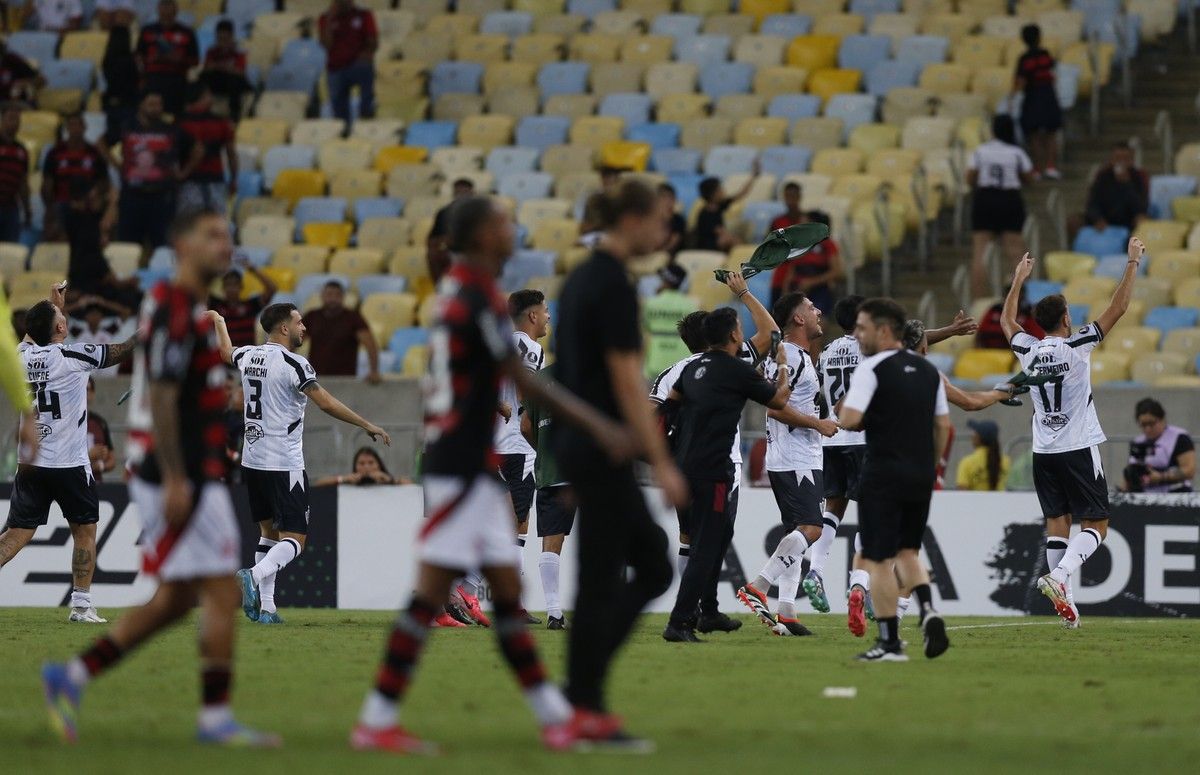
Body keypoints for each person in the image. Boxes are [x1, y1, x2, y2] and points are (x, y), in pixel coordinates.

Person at [351, 195, 634, 754]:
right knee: (447, 595)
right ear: (482, 236)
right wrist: (599, 426)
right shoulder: (474, 296)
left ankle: (555, 717)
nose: (514, 231)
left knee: (503, 593)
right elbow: (523, 384)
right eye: (505, 224)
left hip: (468, 462)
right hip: (462, 464)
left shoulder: (463, 291)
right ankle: (380, 719)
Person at [41, 208, 281, 747]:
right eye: (212, 235)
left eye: (228, 235)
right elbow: (167, 397)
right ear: (181, 244)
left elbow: (178, 388)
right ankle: (215, 719)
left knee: (176, 600)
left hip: (190, 469)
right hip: (183, 473)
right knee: (221, 590)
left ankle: (71, 677)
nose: (225, 245)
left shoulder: (184, 308)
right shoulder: (175, 306)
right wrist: (176, 476)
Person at [555, 179, 687, 749]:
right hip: (605, 445)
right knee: (627, 573)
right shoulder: (612, 283)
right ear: (631, 219)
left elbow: (565, 376)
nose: (665, 232)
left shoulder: (582, 278)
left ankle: (580, 695)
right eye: (660, 219)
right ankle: (583, 703)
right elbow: (627, 379)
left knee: (627, 571)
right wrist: (662, 461)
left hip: (583, 443)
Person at [212, 302, 391, 625]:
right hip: (283, 462)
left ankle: (266, 608)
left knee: (268, 533)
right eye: (298, 322)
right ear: (284, 328)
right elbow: (325, 402)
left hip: (252, 461)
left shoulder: (249, 355)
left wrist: (219, 319)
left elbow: (226, 352)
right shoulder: (295, 364)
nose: (304, 328)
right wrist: (366, 424)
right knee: (295, 539)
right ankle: (252, 576)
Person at [1003, 238, 1144, 629]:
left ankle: (1066, 607)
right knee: (1097, 525)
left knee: (1057, 523)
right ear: (1066, 319)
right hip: (1078, 446)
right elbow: (1118, 308)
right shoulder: (1078, 345)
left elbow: (1005, 323)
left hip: (1043, 451)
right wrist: (1132, 261)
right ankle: (1060, 577)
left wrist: (1018, 280)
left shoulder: (1028, 351)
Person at [650, 272, 779, 635]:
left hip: (680, 466)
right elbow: (770, 334)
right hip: (719, 465)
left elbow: (655, 419)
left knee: (690, 538)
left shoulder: (672, 372)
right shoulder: (731, 365)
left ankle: (702, 610)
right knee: (713, 539)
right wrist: (744, 294)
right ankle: (693, 613)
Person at [1, 288, 136, 623]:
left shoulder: (19, 355)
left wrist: (53, 309)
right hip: (69, 465)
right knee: (85, 532)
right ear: (59, 330)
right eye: (63, 319)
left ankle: (80, 604)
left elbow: (37, 334)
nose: (67, 321)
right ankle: (81, 605)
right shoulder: (72, 358)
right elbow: (118, 351)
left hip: (31, 465)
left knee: (16, 535)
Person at [837, 298, 951, 662]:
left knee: (878, 559)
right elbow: (943, 426)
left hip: (882, 473)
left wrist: (843, 410)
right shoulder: (928, 370)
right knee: (907, 551)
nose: (858, 335)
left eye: (863, 328)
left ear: (884, 330)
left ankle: (889, 643)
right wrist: (930, 466)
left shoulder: (871, 369)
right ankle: (929, 610)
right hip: (919, 474)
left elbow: (850, 419)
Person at [735, 292, 838, 636]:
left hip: (799, 455)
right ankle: (759, 586)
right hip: (795, 456)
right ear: (797, 319)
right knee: (812, 528)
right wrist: (818, 424)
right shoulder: (790, 357)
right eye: (811, 307)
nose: (818, 310)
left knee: (799, 533)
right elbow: (774, 406)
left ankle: (788, 612)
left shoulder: (799, 356)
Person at [486, 289, 549, 625]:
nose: (549, 316)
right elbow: (525, 388)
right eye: (546, 310)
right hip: (516, 447)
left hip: (489, 445)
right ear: (532, 315)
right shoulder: (529, 347)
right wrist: (531, 424)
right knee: (517, 527)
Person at [105, 92, 200, 251]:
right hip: (132, 196)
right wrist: (116, 164)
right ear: (141, 105)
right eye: (152, 104)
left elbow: (198, 148)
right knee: (128, 246)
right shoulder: (127, 126)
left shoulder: (170, 129)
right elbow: (101, 142)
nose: (157, 109)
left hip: (162, 197)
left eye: (159, 105)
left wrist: (184, 172)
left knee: (163, 246)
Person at [522, 363, 574, 630]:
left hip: (551, 472)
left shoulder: (539, 378)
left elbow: (526, 426)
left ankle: (554, 612)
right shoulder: (593, 370)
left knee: (551, 542)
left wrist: (543, 452)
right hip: (588, 472)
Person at [967, 114, 1033, 299]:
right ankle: (1020, 300)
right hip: (1009, 199)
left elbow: (970, 177)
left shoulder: (981, 151)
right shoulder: (1016, 152)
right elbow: (1030, 177)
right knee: (1016, 253)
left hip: (985, 198)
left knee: (980, 253)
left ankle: (979, 301)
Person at [42, 113, 111, 241]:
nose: (75, 129)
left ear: (84, 127)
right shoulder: (55, 152)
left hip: (87, 205)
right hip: (61, 204)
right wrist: (49, 211)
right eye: (71, 125)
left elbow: (104, 181)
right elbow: (47, 184)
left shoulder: (94, 153)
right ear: (67, 128)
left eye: (78, 125)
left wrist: (94, 193)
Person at [176, 84, 237, 214]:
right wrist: (233, 179)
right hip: (215, 179)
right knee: (215, 222)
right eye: (208, 95)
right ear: (202, 97)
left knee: (189, 224)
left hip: (188, 183)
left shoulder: (180, 123)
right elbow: (231, 154)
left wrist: (181, 175)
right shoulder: (221, 123)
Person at [303, 280, 380, 382]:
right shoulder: (312, 317)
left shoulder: (353, 318)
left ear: (343, 297)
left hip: (345, 380)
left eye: (337, 295)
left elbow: (370, 345)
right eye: (329, 294)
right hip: (316, 379)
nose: (333, 299)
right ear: (322, 296)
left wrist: (374, 371)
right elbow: (294, 342)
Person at [768, 210, 843, 315]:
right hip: (798, 290)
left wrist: (811, 282)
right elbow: (791, 272)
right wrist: (784, 296)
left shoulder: (828, 244)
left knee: (816, 322)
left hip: (819, 291)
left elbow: (837, 271)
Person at [1013, 24, 1062, 180]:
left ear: (1023, 39)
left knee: (1034, 134)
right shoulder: (1046, 54)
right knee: (1051, 133)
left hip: (1033, 96)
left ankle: (1037, 169)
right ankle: (1051, 167)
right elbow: (1053, 74)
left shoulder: (1024, 59)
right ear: (1039, 37)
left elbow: (1021, 81)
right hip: (1048, 95)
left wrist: (1012, 97)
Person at [136, 0, 199, 116]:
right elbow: (138, 56)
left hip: (176, 79)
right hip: (153, 79)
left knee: (175, 115)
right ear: (158, 9)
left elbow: (195, 60)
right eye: (163, 6)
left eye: (169, 5)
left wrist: (179, 59)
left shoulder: (187, 32)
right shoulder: (147, 30)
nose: (166, 10)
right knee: (151, 113)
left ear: (176, 10)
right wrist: (152, 59)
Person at [319, 0, 378, 125]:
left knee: (366, 67)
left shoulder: (363, 15)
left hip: (356, 64)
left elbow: (373, 41)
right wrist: (330, 19)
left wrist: (367, 52)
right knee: (338, 110)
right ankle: (343, 128)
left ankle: (366, 113)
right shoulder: (325, 18)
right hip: (336, 67)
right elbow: (327, 44)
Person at [1122, 397, 1195, 493]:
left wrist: (1161, 477)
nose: (1148, 429)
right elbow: (1130, 472)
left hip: (1176, 494)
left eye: (1151, 423)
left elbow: (1189, 470)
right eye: (1143, 425)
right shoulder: (1138, 442)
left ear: (1162, 419)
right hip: (1144, 497)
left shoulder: (1179, 437)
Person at [1080, 142, 1148, 234]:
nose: (1121, 162)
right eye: (1118, 159)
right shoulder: (1103, 176)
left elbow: (1141, 207)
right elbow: (1092, 203)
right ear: (1111, 160)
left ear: (1131, 161)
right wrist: (1097, 218)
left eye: (1125, 159)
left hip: (1128, 220)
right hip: (1104, 219)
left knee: (1142, 221)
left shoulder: (1138, 177)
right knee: (1074, 221)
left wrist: (1126, 184)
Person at [208, 260, 277, 348]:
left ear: (241, 287)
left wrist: (253, 270)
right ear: (223, 288)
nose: (231, 288)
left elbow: (272, 288)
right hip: (224, 357)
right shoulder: (216, 305)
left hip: (246, 357)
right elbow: (200, 288)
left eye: (235, 284)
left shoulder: (251, 305)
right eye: (228, 284)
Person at [200, 19, 252, 120]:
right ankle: (200, 110)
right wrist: (219, 66)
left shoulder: (239, 51)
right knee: (202, 78)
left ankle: (234, 114)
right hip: (218, 81)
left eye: (225, 38)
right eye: (220, 38)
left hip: (233, 82)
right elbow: (207, 68)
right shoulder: (212, 51)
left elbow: (240, 72)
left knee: (234, 81)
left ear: (231, 36)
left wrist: (221, 66)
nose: (222, 41)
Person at [426, 178, 474, 284]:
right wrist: (445, 241)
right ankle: (441, 288)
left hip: (473, 252)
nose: (461, 195)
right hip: (450, 250)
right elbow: (431, 240)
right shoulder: (444, 212)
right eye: (458, 192)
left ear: (471, 193)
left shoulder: (480, 212)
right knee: (433, 254)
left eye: (464, 192)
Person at [692, 174, 756, 252]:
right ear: (713, 194)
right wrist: (735, 240)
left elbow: (741, 194)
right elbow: (720, 232)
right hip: (707, 245)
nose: (723, 191)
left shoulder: (720, 205)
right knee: (727, 239)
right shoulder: (705, 214)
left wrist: (753, 176)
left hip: (719, 240)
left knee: (733, 239)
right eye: (719, 189)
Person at [102, 25, 140, 143]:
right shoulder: (131, 60)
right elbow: (136, 80)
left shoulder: (107, 60)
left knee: (113, 136)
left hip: (111, 100)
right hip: (129, 102)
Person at [975, 283, 1044, 349]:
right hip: (989, 353)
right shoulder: (995, 309)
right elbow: (980, 332)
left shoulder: (1029, 312)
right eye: (1008, 292)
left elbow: (1037, 338)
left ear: (1023, 295)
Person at [0, 102, 30, 242]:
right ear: (2, 120)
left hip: (10, 208)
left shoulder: (21, 151)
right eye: (11, 118)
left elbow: (22, 183)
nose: (14, 122)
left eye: (17, 119)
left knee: (10, 250)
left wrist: (27, 209)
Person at [956, 419, 1010, 491]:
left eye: (975, 433)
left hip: (974, 502)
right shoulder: (1006, 461)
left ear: (978, 437)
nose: (972, 436)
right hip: (1000, 502)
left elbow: (962, 491)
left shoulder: (967, 462)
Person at [313, 446, 410, 486]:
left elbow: (412, 487)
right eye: (362, 463)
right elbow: (318, 484)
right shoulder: (349, 482)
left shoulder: (387, 481)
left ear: (379, 464)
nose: (366, 467)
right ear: (355, 466)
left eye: (371, 462)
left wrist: (390, 480)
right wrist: (343, 479)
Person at [85, 378, 116, 482]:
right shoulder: (66, 422)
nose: (84, 393)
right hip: (73, 485)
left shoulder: (100, 423)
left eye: (87, 389)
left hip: (96, 485)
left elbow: (112, 460)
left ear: (93, 394)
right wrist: (89, 457)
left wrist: (101, 466)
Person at [658, 183, 687, 256]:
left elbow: (672, 244)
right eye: (663, 197)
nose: (667, 201)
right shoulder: (651, 220)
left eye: (670, 198)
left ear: (674, 200)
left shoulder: (679, 220)